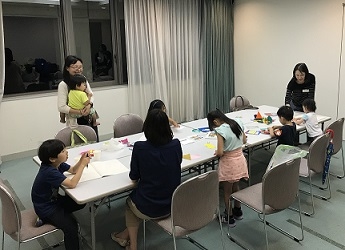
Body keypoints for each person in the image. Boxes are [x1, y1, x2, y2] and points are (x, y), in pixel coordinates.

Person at [111, 109, 182, 250]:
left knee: (129, 203)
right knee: (141, 199)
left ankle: (134, 246)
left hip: (150, 205)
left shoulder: (140, 148)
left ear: (147, 127)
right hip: (173, 202)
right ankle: (123, 235)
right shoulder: (176, 144)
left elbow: (134, 176)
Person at [31, 139, 90, 250]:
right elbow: (72, 184)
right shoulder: (49, 171)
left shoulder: (57, 164)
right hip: (46, 207)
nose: (67, 152)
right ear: (52, 159)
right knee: (71, 227)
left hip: (53, 200)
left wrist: (81, 160)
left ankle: (57, 217)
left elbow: (72, 170)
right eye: (63, 151)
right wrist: (82, 166)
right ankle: (46, 218)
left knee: (80, 203)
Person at [207, 109, 248, 228]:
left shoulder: (220, 130)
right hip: (240, 160)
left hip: (229, 164)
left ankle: (229, 217)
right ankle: (238, 211)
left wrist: (218, 152)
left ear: (215, 121)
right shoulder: (237, 123)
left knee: (227, 191)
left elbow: (220, 153)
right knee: (236, 185)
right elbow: (244, 140)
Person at [57, 55, 99, 141]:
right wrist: (80, 112)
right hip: (75, 120)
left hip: (88, 117)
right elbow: (61, 107)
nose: (78, 69)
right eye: (75, 67)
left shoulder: (83, 80)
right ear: (67, 68)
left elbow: (91, 95)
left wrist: (87, 107)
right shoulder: (63, 85)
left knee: (93, 143)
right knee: (79, 145)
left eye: (80, 67)